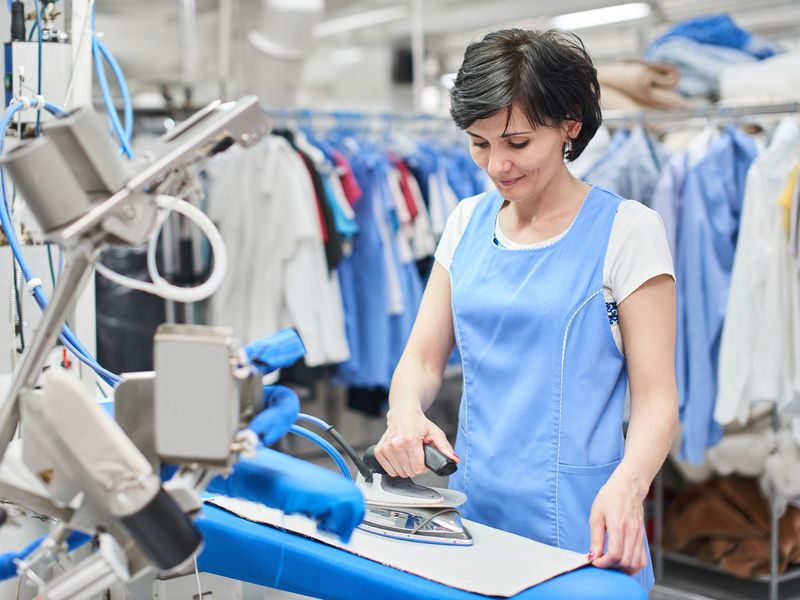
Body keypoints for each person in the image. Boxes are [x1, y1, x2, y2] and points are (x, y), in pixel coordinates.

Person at [374, 29, 678, 591]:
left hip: (587, 518)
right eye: (479, 143)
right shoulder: (466, 221)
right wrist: (404, 413)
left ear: (570, 125)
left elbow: (658, 398)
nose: (497, 166)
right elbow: (421, 355)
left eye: (516, 143)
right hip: (474, 510)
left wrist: (630, 485)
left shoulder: (627, 231)